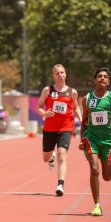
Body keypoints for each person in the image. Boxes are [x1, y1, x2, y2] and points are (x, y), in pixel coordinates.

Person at [79, 68, 111, 216]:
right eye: (99, 76)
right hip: (91, 138)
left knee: (107, 176)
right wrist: (81, 139)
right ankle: (97, 205)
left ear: (109, 81)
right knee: (94, 168)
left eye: (105, 77)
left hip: (107, 141)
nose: (102, 78)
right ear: (94, 80)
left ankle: (109, 155)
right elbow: (84, 121)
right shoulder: (87, 99)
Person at [36, 64, 82, 196]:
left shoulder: (72, 92)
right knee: (46, 158)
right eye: (57, 73)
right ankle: (51, 158)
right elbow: (39, 106)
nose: (60, 75)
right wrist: (44, 113)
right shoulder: (47, 90)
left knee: (62, 154)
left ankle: (60, 185)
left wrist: (81, 119)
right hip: (50, 128)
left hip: (66, 127)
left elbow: (75, 107)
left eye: (62, 72)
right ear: (53, 76)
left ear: (65, 74)